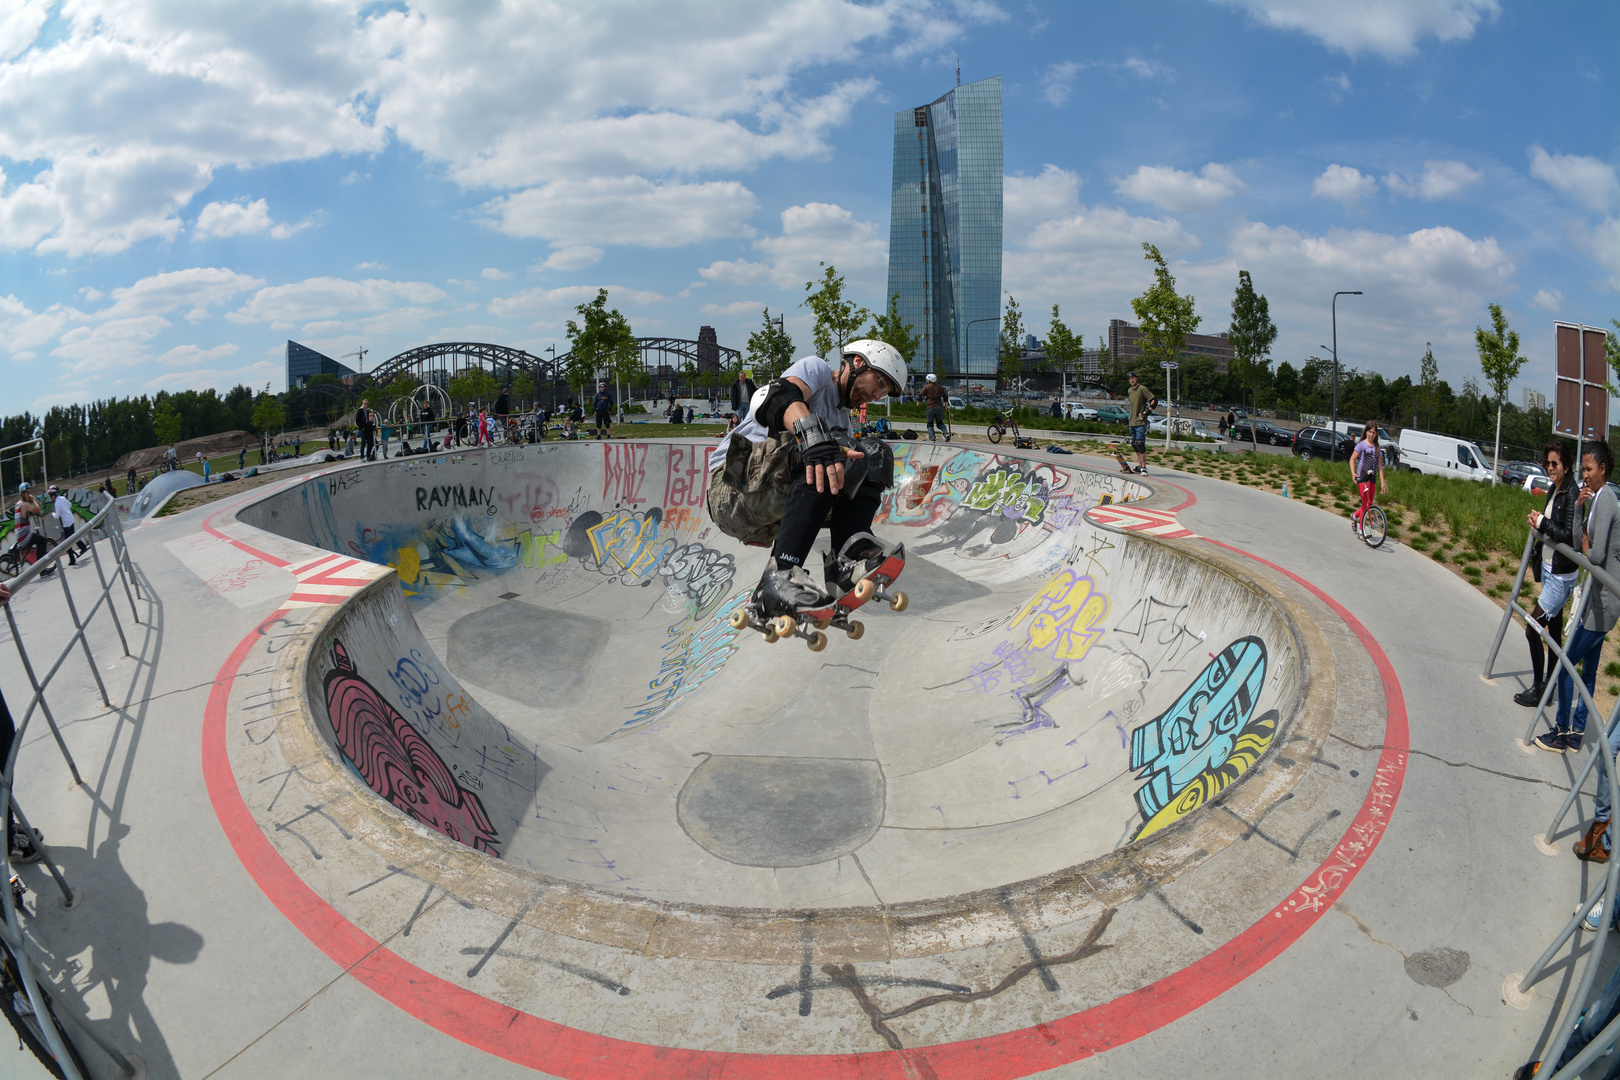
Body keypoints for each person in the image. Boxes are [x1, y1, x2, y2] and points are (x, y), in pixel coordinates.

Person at [706, 339, 906, 615]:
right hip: (731, 489)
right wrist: (814, 439)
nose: (878, 395)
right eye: (880, 383)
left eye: (885, 392)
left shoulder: (844, 419)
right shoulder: (818, 372)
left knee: (871, 454)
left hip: (770, 505)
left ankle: (844, 565)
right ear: (858, 363)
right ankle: (781, 575)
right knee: (829, 448)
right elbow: (772, 398)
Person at [1541, 441, 1619, 760]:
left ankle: (1562, 732)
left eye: (1589, 469)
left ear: (1603, 469)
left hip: (1603, 602)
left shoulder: (1608, 500)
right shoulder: (1597, 498)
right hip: (1597, 599)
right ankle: (1575, 734)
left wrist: (1586, 536)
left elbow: (1594, 554)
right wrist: (1581, 509)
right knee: (1586, 672)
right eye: (1583, 469)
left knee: (1564, 664)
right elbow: (1576, 540)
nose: (1584, 475)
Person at [1517, 442, 1579, 707]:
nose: (1550, 468)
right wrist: (1539, 523)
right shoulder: (1556, 488)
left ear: (1566, 464)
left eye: (1555, 463)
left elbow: (1570, 538)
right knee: (1553, 635)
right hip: (1551, 569)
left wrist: (1543, 522)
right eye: (1547, 463)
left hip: (1561, 576)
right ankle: (1549, 689)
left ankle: (1539, 687)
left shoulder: (1572, 492)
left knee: (1532, 629)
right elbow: (1553, 528)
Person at [1349, 423, 1386, 537]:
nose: (1371, 434)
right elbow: (1352, 459)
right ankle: (1361, 532)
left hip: (1372, 478)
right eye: (1370, 432)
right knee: (1365, 504)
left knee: (1369, 503)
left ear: (1376, 434)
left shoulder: (1377, 447)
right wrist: (1353, 473)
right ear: (1366, 432)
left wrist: (1383, 483)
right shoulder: (1361, 444)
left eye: (1374, 432)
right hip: (1362, 478)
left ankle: (1355, 516)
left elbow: (1380, 466)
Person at [10, 485, 53, 577]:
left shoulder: (18, 504)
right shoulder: (25, 505)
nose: (29, 495)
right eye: (27, 492)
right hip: (24, 536)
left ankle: (40, 568)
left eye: (30, 492)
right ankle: (41, 569)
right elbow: (37, 510)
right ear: (22, 493)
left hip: (20, 534)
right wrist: (33, 500)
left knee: (38, 541)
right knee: (42, 541)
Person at [1126, 371, 1156, 475]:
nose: (1131, 380)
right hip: (1132, 421)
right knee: (1134, 444)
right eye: (1130, 379)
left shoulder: (1142, 389)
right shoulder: (1130, 390)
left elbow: (1154, 400)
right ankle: (1139, 466)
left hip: (1140, 422)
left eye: (1133, 378)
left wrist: (1147, 412)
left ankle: (1144, 467)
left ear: (1136, 378)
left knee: (1140, 444)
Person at [48, 486, 86, 566]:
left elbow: (57, 516)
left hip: (66, 523)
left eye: (51, 495)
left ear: (54, 495)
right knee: (73, 536)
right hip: (70, 519)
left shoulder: (57, 503)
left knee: (67, 543)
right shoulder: (62, 498)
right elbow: (70, 505)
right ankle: (82, 547)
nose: (51, 497)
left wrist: (52, 514)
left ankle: (72, 559)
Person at [356, 398, 377, 462]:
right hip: (363, 429)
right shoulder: (360, 411)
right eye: (365, 404)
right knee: (363, 443)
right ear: (362, 404)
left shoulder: (367, 411)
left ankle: (368, 455)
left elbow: (367, 420)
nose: (366, 405)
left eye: (367, 404)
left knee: (370, 442)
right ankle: (362, 456)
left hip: (367, 428)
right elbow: (357, 421)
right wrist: (362, 427)